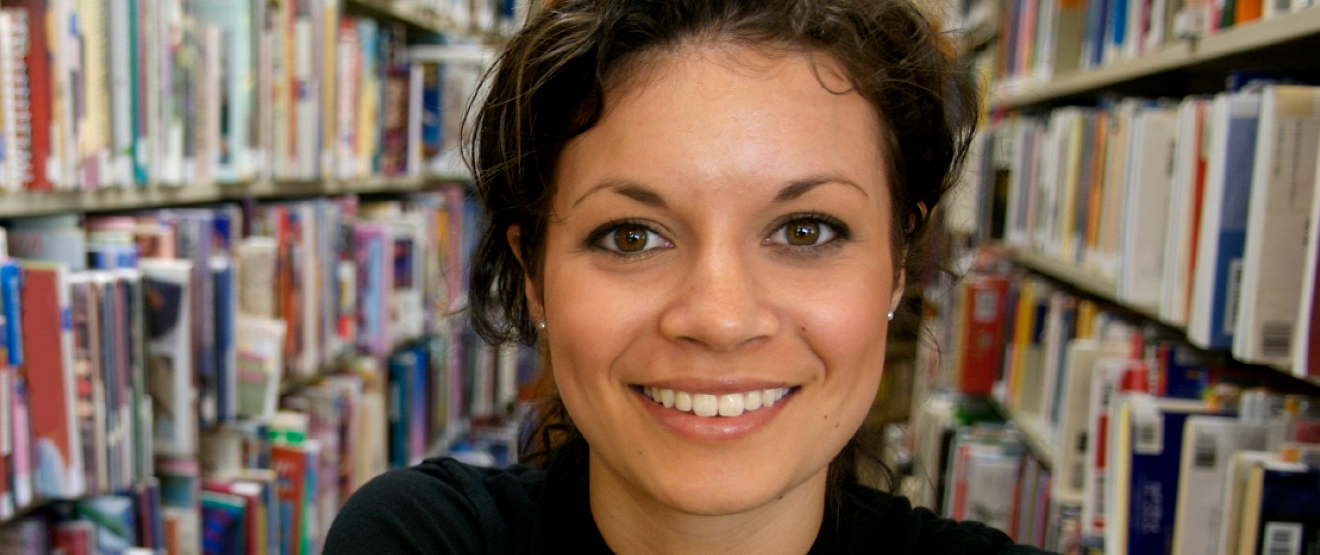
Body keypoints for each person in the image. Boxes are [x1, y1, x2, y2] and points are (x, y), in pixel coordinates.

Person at [325, 1, 1052, 553]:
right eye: (631, 236)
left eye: (806, 230)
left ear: (897, 266)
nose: (720, 317)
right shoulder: (418, 538)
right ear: (534, 275)